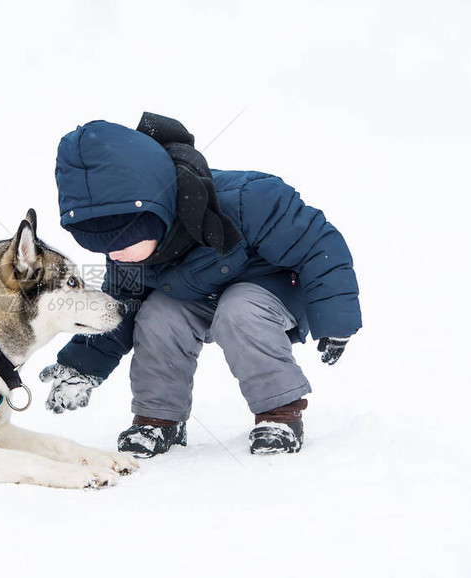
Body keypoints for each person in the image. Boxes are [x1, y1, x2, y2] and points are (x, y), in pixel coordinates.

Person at [39, 112, 362, 457]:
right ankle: (159, 419)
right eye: (103, 247)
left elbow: (318, 246)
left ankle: (279, 414)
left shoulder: (246, 200)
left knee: (240, 309)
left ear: (153, 217)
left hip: (272, 288)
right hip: (195, 296)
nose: (114, 254)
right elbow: (120, 307)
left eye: (121, 242)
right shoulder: (127, 255)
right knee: (158, 315)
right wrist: (82, 365)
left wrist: (335, 320)